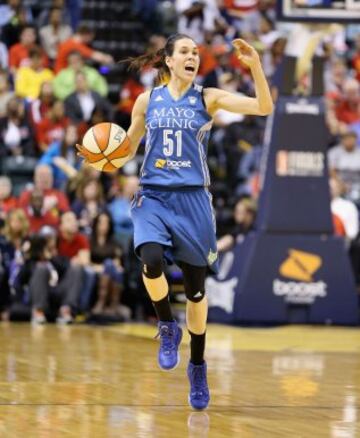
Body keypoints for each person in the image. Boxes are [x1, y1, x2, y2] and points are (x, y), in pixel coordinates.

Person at [77, 33, 273, 410]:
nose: (192, 57)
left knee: (197, 294)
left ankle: (197, 365)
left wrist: (256, 66)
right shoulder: (146, 100)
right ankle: (167, 325)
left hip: (194, 200)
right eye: (184, 51)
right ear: (168, 60)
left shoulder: (207, 97)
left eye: (196, 53)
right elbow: (125, 150)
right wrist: (98, 159)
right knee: (150, 258)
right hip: (154, 196)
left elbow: (264, 107)